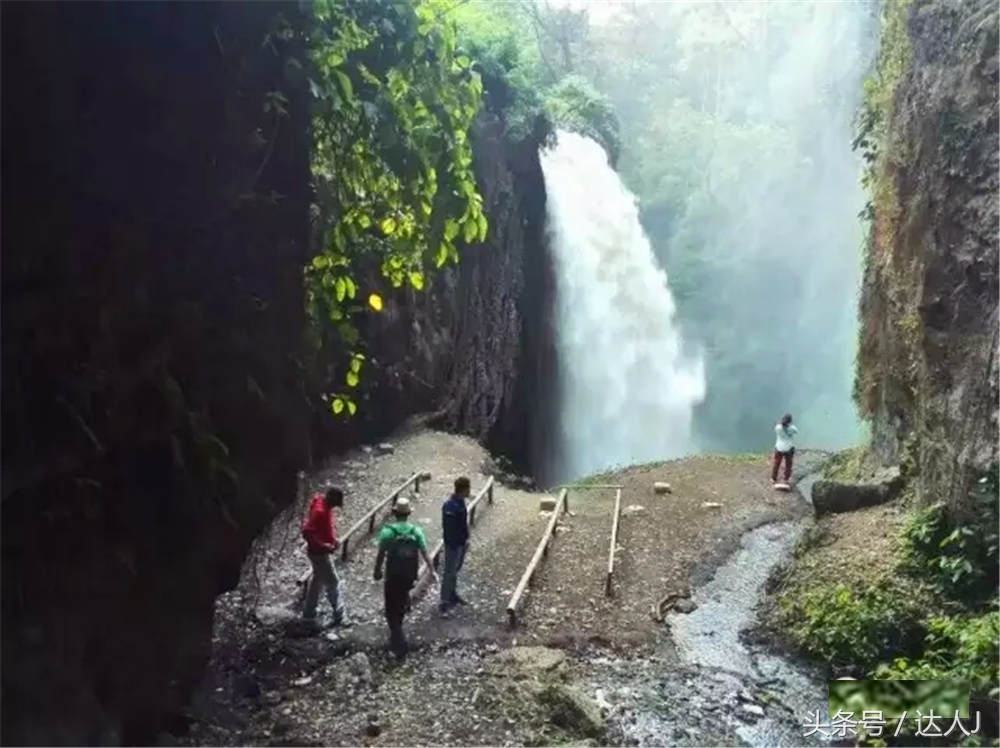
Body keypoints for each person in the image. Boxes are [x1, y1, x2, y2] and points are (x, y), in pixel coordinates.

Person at [373, 497, 437, 659]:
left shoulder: (387, 532)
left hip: (392, 576)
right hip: (409, 577)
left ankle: (399, 642)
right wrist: (432, 570)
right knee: (401, 603)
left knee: (390, 610)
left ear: (395, 513)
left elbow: (381, 555)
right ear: (408, 514)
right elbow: (424, 552)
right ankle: (397, 630)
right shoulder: (416, 532)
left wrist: (377, 571)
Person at [301, 486, 348, 627]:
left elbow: (327, 526)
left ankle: (309, 615)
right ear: (331, 499)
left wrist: (334, 540)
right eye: (335, 503)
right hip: (319, 554)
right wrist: (323, 545)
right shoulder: (320, 511)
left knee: (317, 581)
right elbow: (307, 532)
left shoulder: (322, 503)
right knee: (333, 582)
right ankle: (339, 614)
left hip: (319, 551)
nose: (335, 507)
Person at [439, 476, 471, 616]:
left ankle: (452, 593)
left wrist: (465, 540)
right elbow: (450, 528)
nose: (470, 491)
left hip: (460, 543)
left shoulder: (460, 502)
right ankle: (443, 603)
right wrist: (455, 543)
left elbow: (463, 524)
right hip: (453, 544)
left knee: (455, 569)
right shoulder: (450, 506)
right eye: (468, 488)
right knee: (449, 571)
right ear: (463, 489)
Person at [772, 413, 798, 484]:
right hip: (788, 449)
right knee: (788, 464)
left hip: (779, 447)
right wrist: (790, 425)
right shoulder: (791, 429)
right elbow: (796, 431)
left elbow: (777, 428)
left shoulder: (778, 427)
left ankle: (774, 478)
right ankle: (786, 479)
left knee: (777, 463)